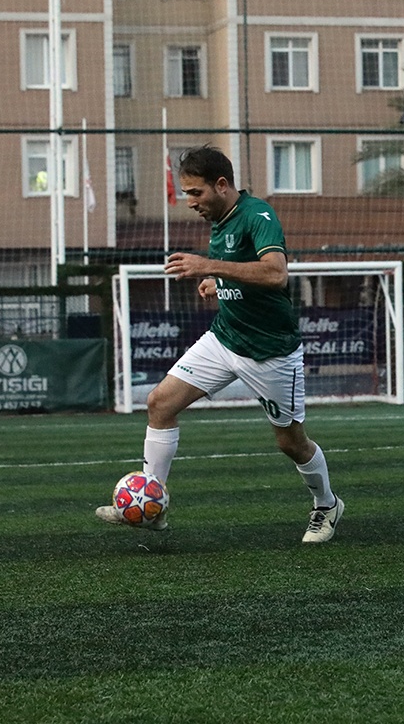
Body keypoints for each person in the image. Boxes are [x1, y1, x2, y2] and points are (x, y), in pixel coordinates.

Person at [96, 145, 344, 542]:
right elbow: (243, 272)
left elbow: (276, 274)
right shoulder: (220, 219)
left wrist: (208, 266)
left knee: (291, 442)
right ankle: (153, 506)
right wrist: (219, 282)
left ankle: (327, 504)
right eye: (186, 193)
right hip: (225, 338)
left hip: (270, 352)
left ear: (222, 185)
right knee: (160, 403)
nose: (190, 202)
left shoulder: (258, 215)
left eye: (196, 193)